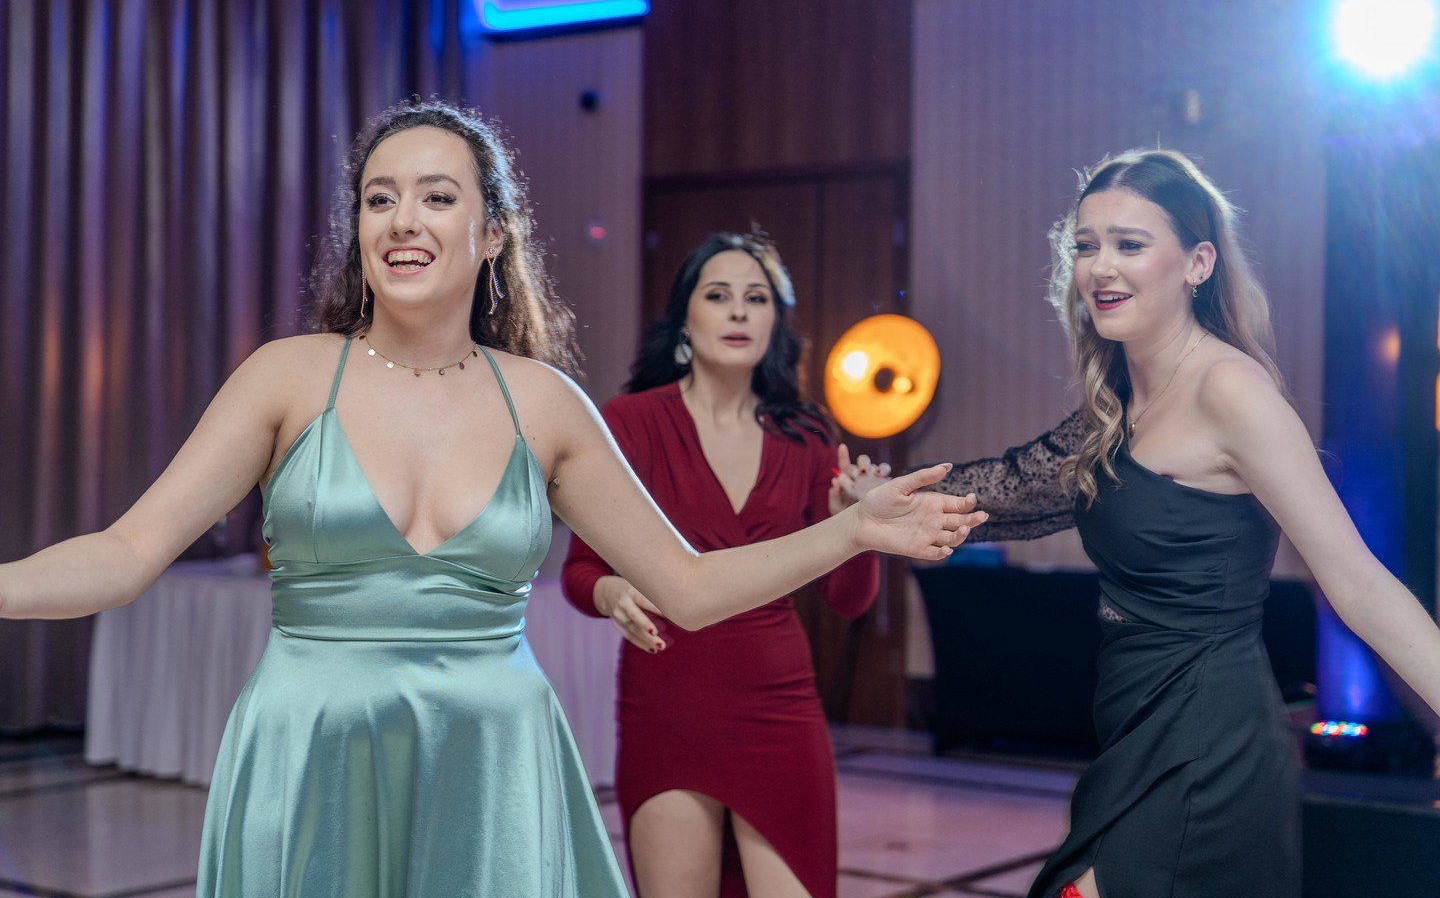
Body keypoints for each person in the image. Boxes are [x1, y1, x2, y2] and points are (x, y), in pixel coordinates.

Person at [0, 99, 985, 898]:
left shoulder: (544, 403)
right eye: (379, 198)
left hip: (493, 764)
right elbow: (126, 554)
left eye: (437, 196)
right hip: (311, 750)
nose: (402, 220)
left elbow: (687, 588)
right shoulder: (285, 377)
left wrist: (850, 530)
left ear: (492, 233)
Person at [839, 149, 1440, 898]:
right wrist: (874, 499)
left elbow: (1359, 585)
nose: (1101, 268)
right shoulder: (1116, 405)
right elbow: (1011, 488)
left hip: (1210, 746)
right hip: (1134, 737)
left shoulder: (1230, 389)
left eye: (1129, 244)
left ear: (1198, 264)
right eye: (1087, 245)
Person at [562, 232, 877, 898]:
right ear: (685, 318)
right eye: (718, 295)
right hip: (667, 706)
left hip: (779, 707)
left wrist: (857, 527)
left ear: (775, 322)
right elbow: (580, 572)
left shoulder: (809, 434)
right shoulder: (630, 423)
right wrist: (612, 591)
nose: (738, 311)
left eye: (756, 298)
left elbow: (848, 601)